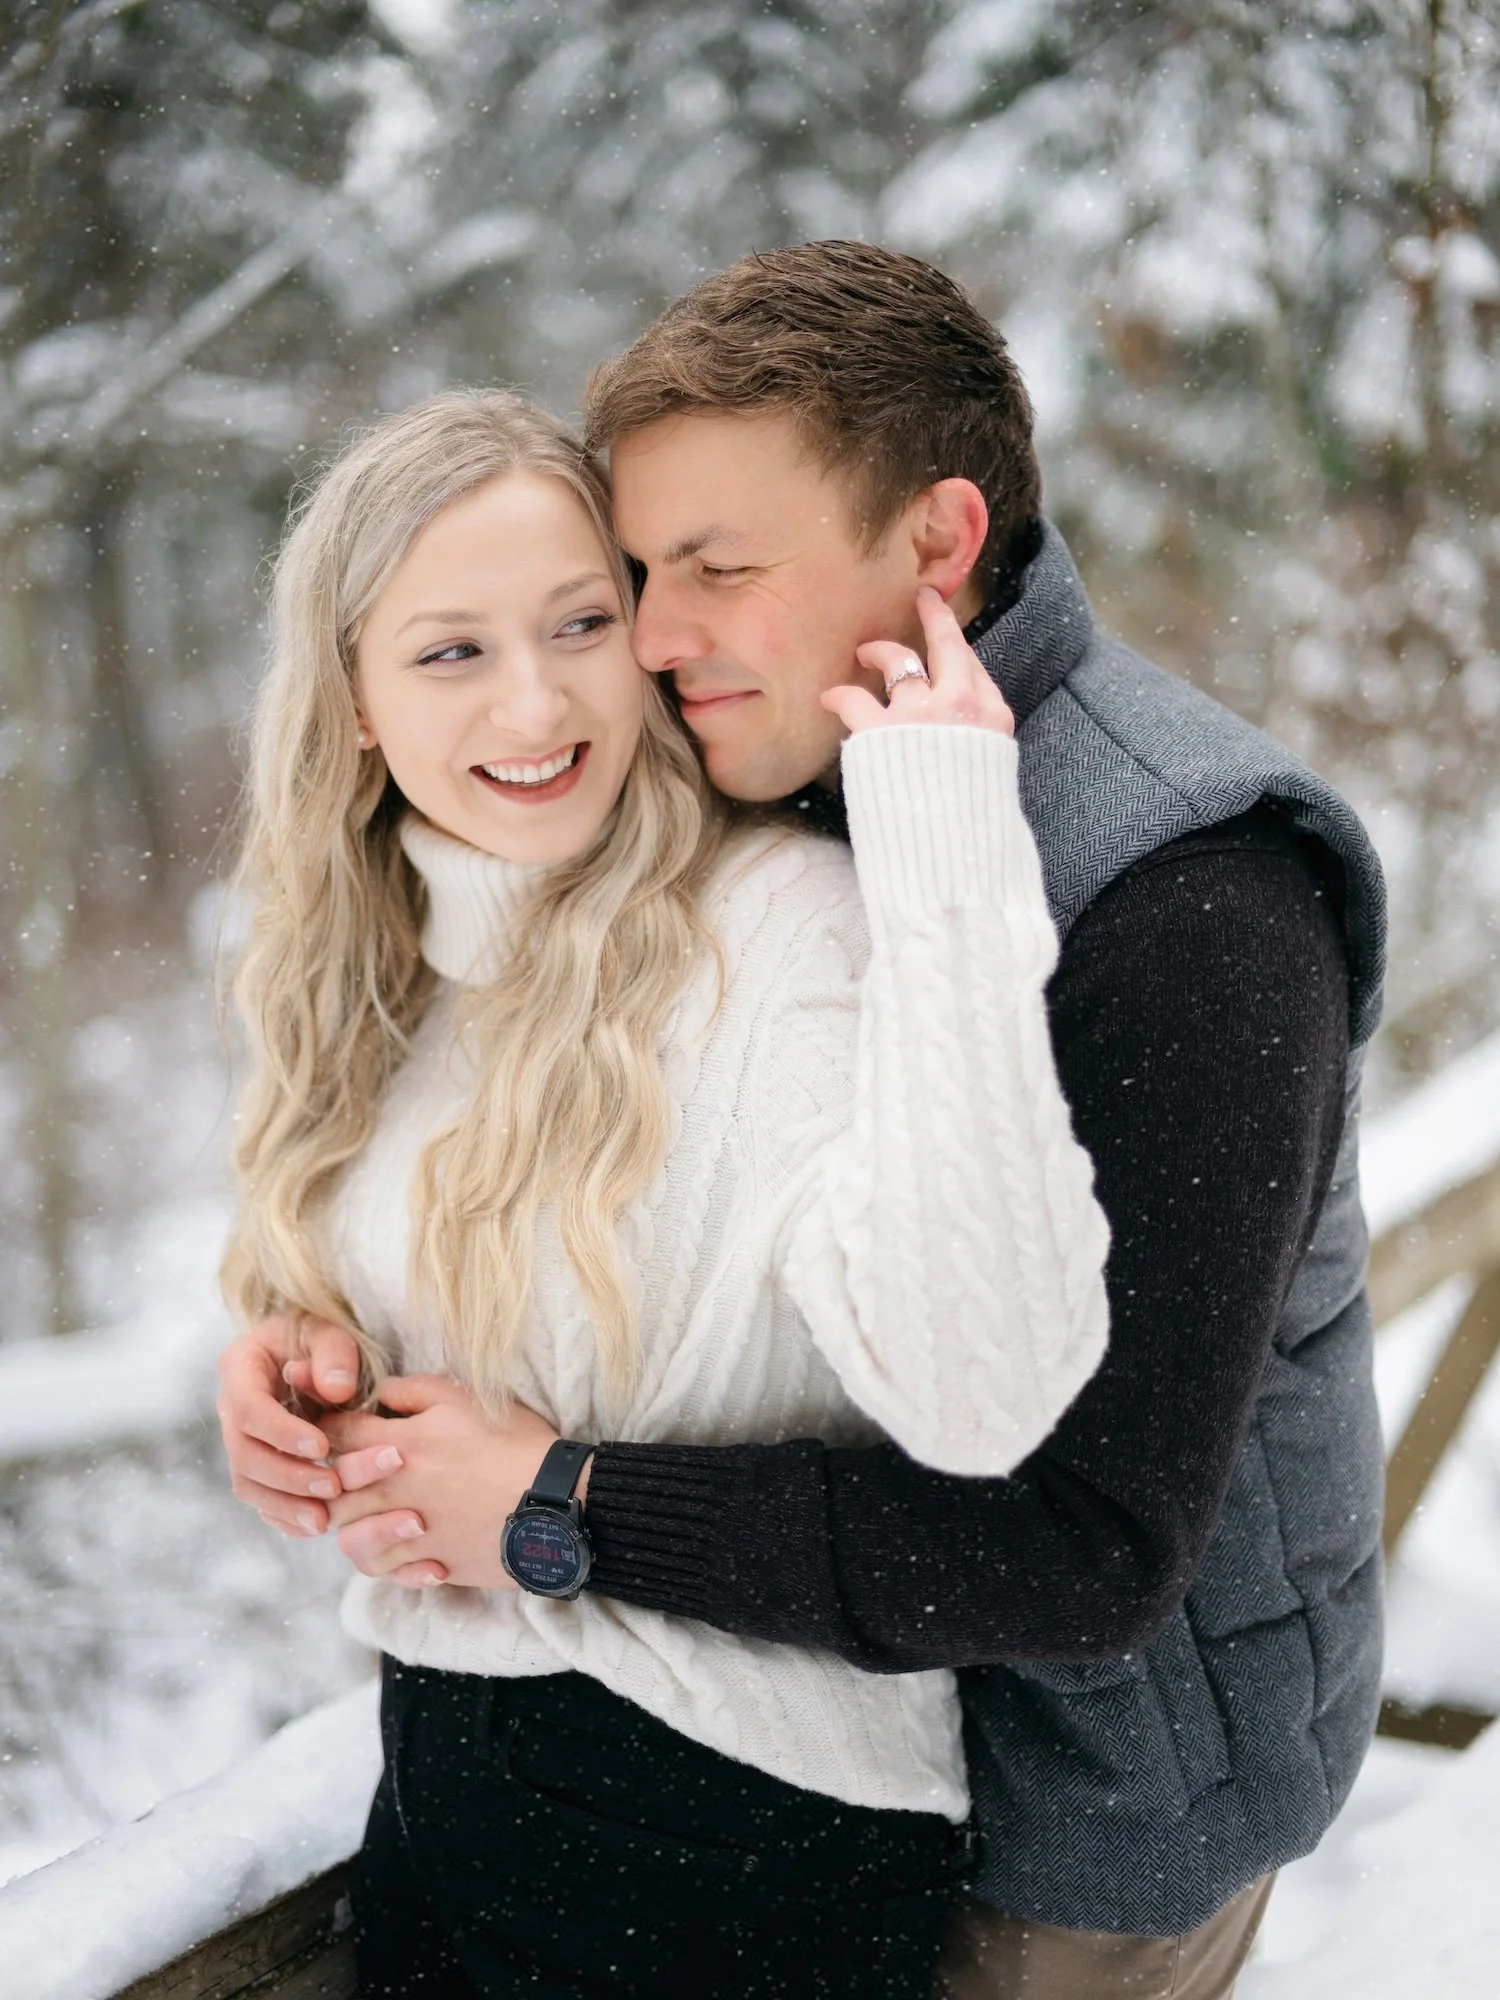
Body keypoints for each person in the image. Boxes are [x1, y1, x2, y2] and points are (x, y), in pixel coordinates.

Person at [219, 244, 1388, 1999]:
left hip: (1088, 1812)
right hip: (776, 1751)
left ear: (936, 541)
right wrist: (337, 1363)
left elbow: (1080, 1546)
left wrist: (556, 1503)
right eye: (637, 577)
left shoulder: (1188, 902)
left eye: (715, 569)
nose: (650, 642)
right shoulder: (779, 755)